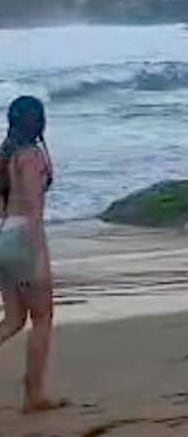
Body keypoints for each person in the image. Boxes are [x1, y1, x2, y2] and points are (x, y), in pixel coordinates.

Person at [0, 96, 63, 413]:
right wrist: (38, 253)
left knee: (12, 320)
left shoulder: (5, 155)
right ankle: (33, 395)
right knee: (42, 319)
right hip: (26, 237)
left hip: (5, 236)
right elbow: (33, 205)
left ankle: (34, 392)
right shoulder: (31, 156)